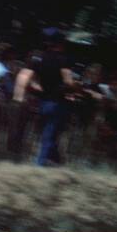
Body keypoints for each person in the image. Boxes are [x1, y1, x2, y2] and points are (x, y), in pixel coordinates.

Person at [34, 27, 74, 166]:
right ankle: (40, 164)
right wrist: (75, 88)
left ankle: (57, 163)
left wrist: (40, 88)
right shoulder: (63, 59)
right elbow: (68, 81)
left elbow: (31, 79)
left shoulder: (40, 58)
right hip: (57, 102)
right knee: (50, 134)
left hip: (43, 100)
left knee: (48, 133)